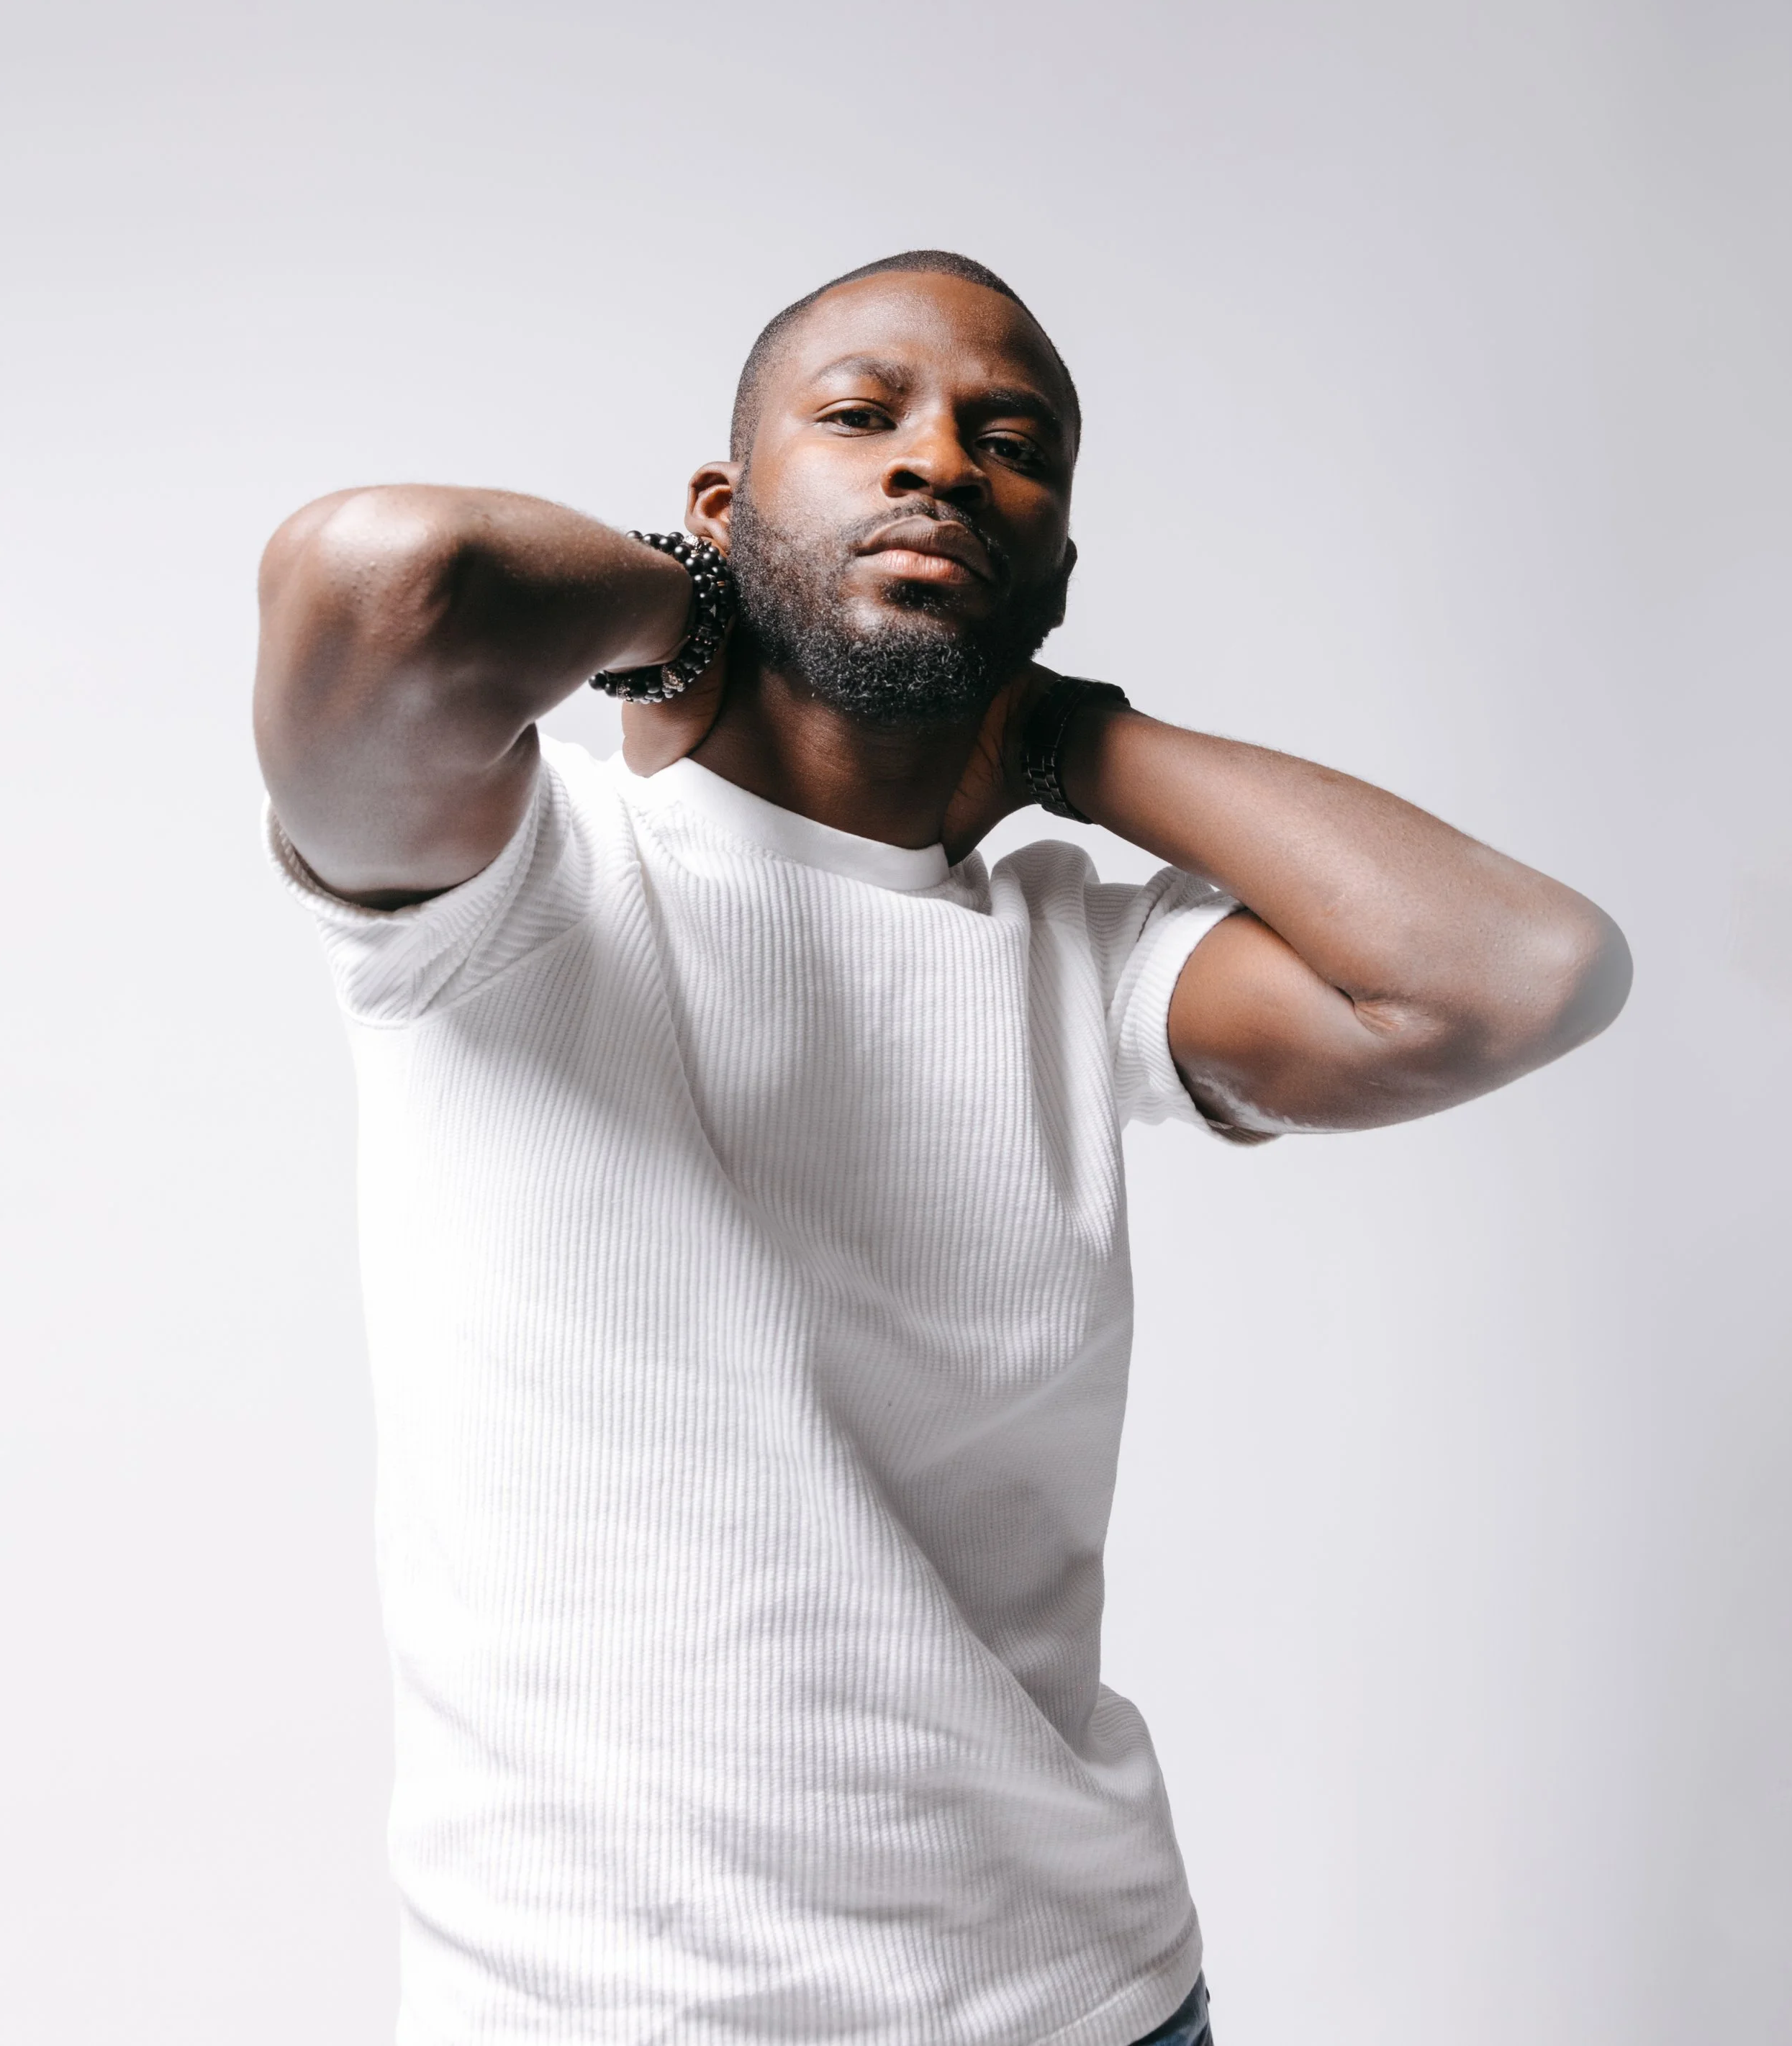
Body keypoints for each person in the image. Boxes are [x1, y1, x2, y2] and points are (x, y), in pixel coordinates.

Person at [255, 250, 1630, 2046]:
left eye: (1012, 445)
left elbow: (1523, 971)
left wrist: (1066, 738)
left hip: (1085, 1997)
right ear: (720, 501)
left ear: (1051, 568)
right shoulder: (518, 882)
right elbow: (387, 579)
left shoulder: (1079, 955)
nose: (938, 464)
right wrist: (694, 610)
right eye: (860, 416)